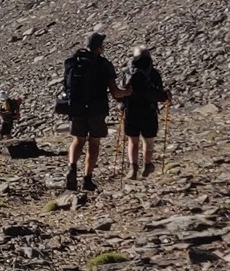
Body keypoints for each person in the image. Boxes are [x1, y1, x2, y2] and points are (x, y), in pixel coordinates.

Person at [61, 31, 118, 192]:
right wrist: (128, 92)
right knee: (94, 143)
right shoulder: (104, 64)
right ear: (99, 47)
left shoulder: (74, 61)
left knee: (77, 140)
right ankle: (87, 179)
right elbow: (115, 92)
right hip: (97, 109)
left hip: (76, 108)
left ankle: (72, 167)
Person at [118, 46, 171, 179]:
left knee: (132, 140)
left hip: (131, 110)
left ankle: (133, 167)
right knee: (148, 140)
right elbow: (159, 92)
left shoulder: (127, 72)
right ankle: (147, 165)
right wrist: (166, 96)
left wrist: (121, 104)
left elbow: (120, 91)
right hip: (149, 110)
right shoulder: (153, 73)